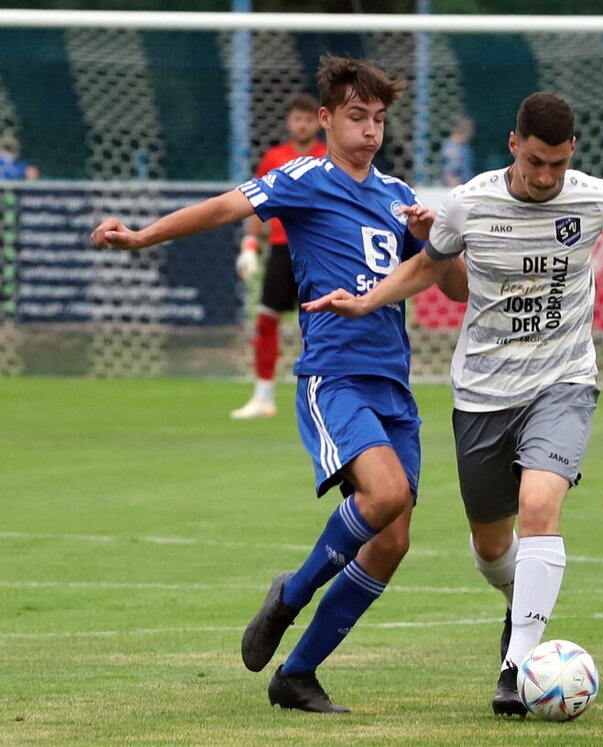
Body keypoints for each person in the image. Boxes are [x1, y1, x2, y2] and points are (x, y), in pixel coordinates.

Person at [303, 91, 603, 717]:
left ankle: (517, 663)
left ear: (571, 151)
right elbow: (427, 269)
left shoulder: (592, 196)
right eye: (535, 163)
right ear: (513, 144)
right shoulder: (467, 203)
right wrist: (365, 302)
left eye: (557, 164)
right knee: (492, 545)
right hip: (482, 391)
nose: (546, 177)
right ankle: (515, 604)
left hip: (564, 381)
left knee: (540, 504)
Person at [91, 55, 467, 713]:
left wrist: (438, 240)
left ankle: (297, 674)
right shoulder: (304, 179)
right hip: (334, 377)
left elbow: (454, 287)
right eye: (357, 117)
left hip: (393, 385)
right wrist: (143, 236)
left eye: (379, 118)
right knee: (383, 496)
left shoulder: (397, 195)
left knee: (395, 539)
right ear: (325, 119)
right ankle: (290, 595)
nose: (370, 130)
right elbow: (223, 206)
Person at [231, 92, 327, 420]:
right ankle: (263, 396)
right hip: (282, 250)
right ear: (289, 122)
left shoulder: (327, 156)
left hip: (317, 251)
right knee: (266, 319)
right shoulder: (274, 157)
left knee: (321, 323)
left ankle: (325, 395)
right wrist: (249, 246)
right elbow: (255, 205)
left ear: (319, 121)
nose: (302, 124)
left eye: (308, 118)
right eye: (297, 118)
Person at [440, 115, 474, 186]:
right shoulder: (452, 148)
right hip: (455, 187)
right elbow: (449, 169)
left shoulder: (465, 146)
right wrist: (453, 182)